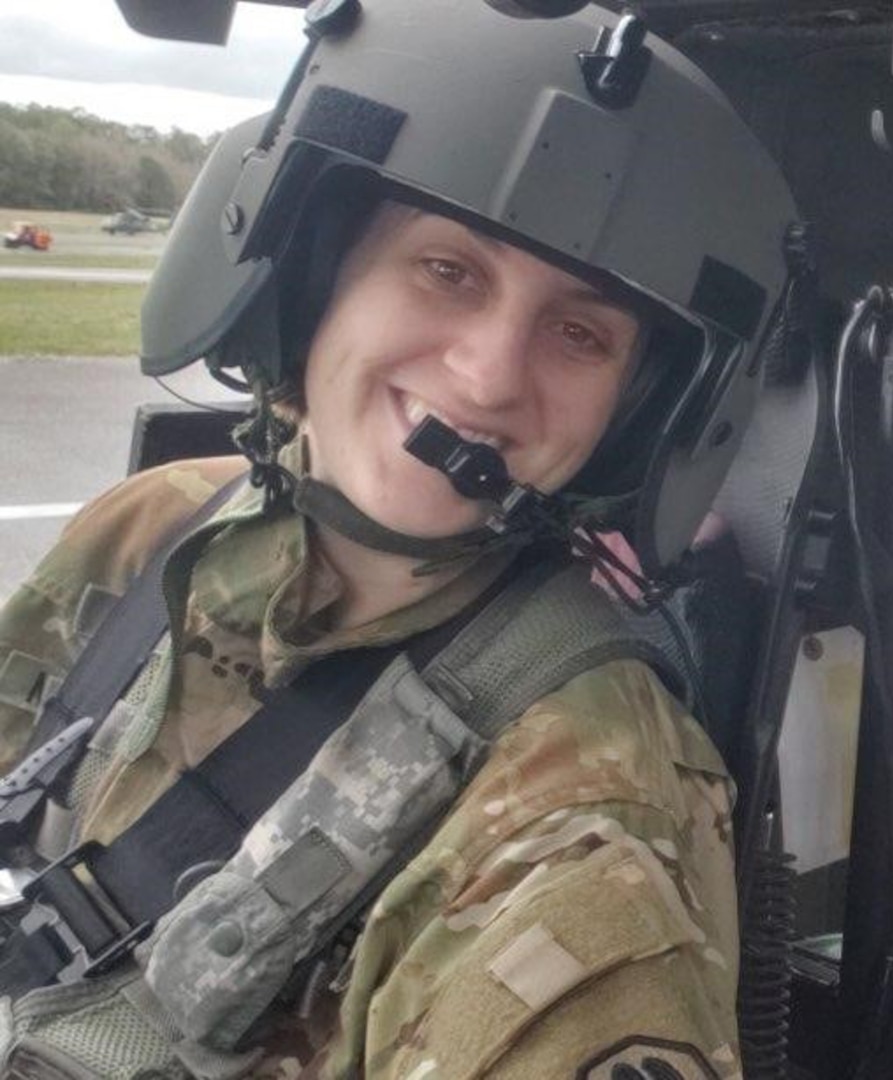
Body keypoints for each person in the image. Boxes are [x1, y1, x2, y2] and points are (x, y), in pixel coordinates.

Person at [0, 2, 798, 1077]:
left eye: (580, 333)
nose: (488, 375)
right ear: (319, 274)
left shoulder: (584, 799)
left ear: (636, 414)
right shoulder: (152, 531)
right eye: (447, 270)